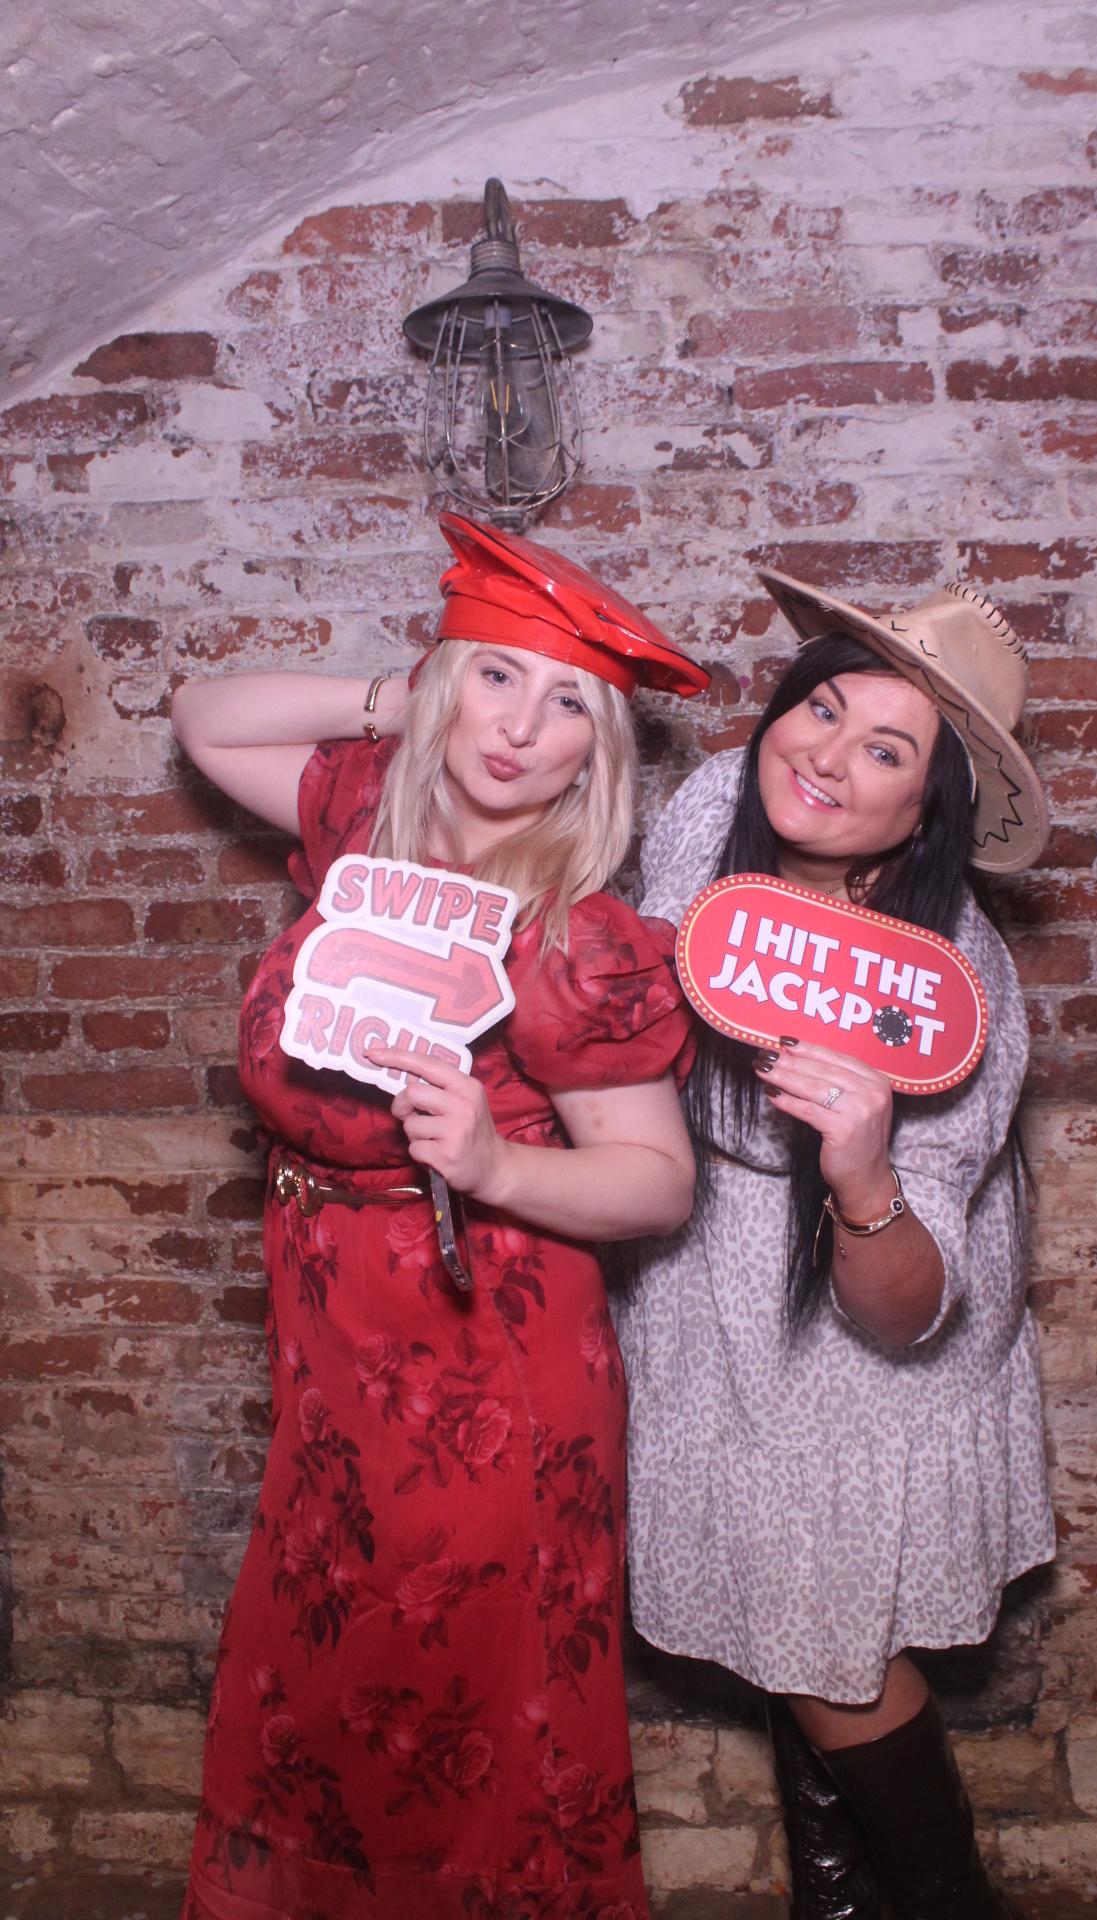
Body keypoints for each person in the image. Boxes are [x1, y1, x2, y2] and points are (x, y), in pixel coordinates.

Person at [170, 510, 708, 1920]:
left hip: (490, 1364)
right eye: (498, 677)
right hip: (331, 1351)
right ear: (443, 679)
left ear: (601, 750)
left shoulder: (578, 936)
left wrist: (494, 1164)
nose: (522, 729)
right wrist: (388, 699)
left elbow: (659, 1182)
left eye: (568, 706)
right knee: (334, 1686)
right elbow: (202, 719)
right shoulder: (361, 817)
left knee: (467, 1711)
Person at [614, 569, 1056, 1919]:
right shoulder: (707, 819)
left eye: (887, 748)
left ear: (929, 807)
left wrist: (862, 1172)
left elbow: (908, 1306)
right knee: (781, 1614)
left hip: (868, 1317)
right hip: (709, 1282)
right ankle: (838, 1896)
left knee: (824, 1642)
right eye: (824, 708)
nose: (827, 753)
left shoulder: (954, 987)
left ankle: (948, 1900)